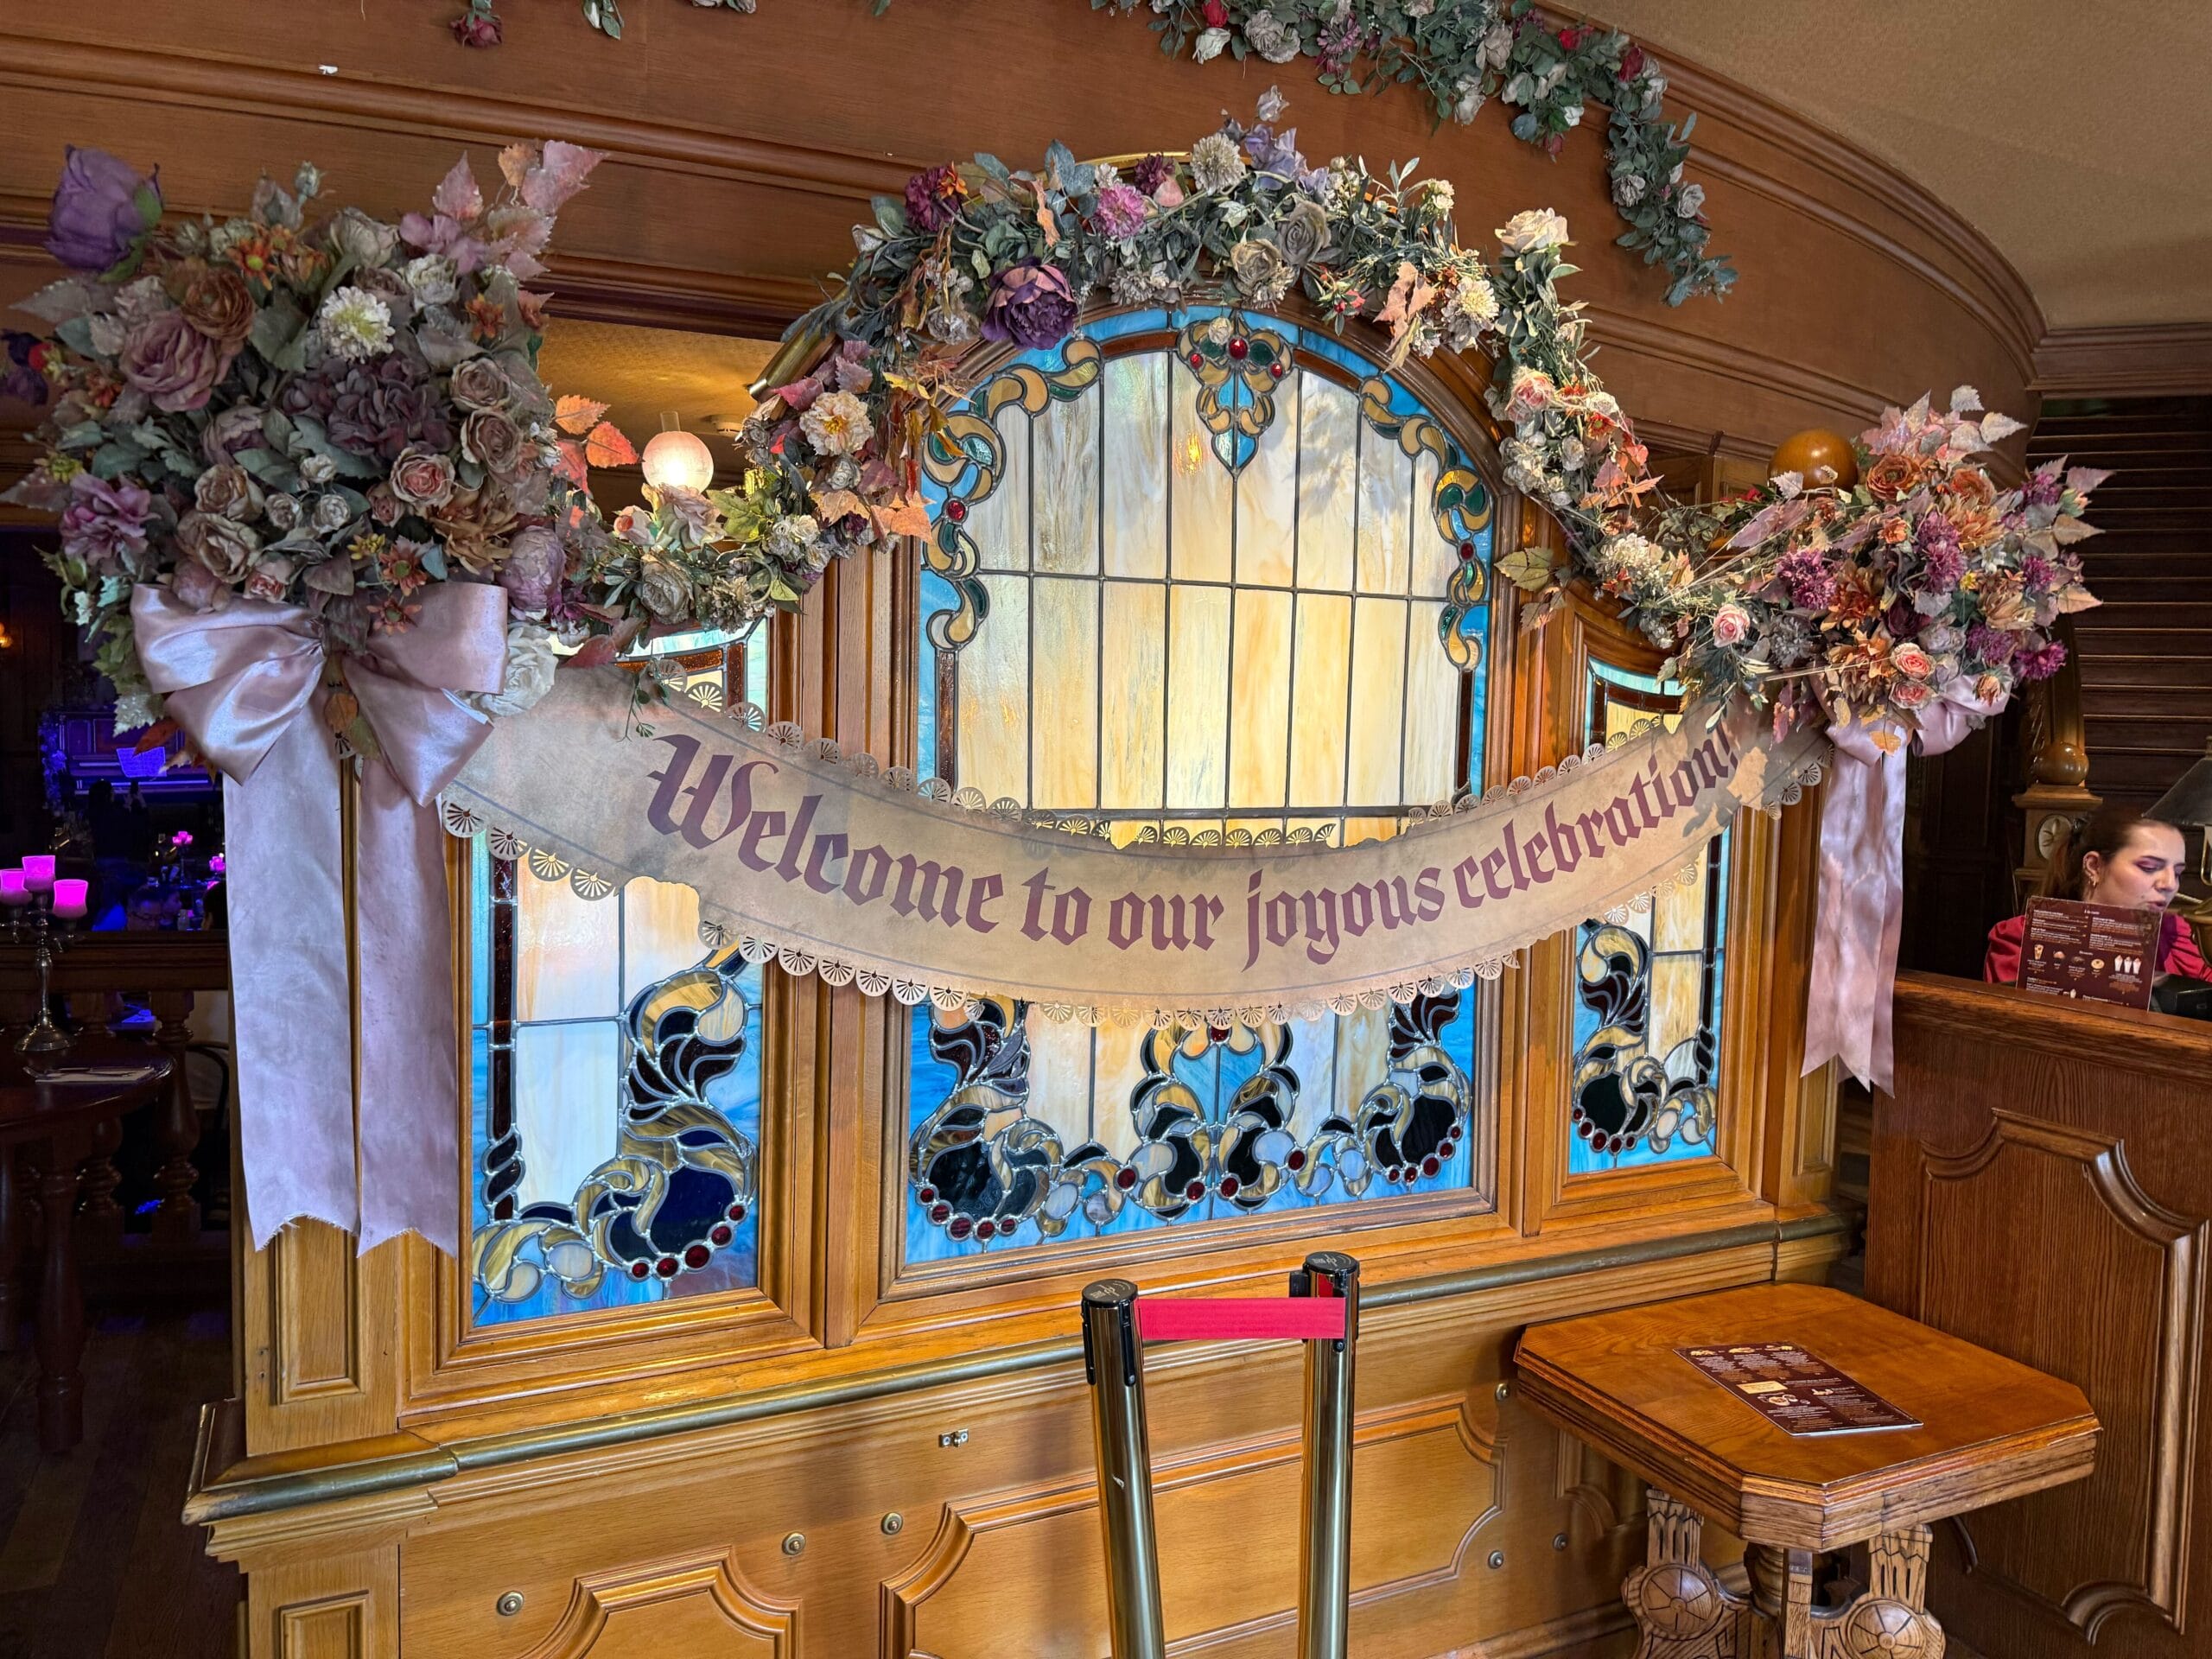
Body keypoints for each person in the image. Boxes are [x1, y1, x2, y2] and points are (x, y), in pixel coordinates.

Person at [1985, 804, 2208, 983]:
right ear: (2094, 866)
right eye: (2148, 867)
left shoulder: (2179, 938)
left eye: (2177, 873)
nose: (2170, 884)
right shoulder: (2023, 940)